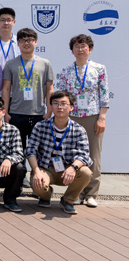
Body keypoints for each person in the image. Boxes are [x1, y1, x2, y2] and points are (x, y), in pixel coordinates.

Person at [55, 34, 109, 207]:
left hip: (92, 117)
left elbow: (104, 95)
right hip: (71, 118)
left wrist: (101, 118)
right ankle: (76, 193)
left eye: (83, 46)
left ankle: (91, 193)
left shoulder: (99, 69)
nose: (80, 49)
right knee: (72, 156)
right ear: (72, 50)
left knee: (94, 155)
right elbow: (60, 96)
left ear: (90, 49)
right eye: (76, 46)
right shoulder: (65, 71)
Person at [27, 91, 93, 214]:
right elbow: (31, 151)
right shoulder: (40, 126)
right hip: (46, 168)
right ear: (51, 106)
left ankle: (68, 200)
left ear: (71, 107)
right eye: (55, 103)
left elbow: (84, 155)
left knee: (86, 172)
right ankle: (45, 196)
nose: (59, 107)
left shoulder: (79, 130)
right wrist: (36, 171)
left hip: (67, 170)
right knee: (37, 183)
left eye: (63, 104)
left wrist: (73, 168)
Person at [2, 28, 54, 150]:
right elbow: (6, 89)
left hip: (38, 114)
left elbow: (49, 89)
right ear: (18, 43)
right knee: (17, 150)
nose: (26, 43)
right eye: (23, 40)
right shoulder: (10, 64)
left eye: (30, 40)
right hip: (16, 114)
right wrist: (6, 112)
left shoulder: (45, 63)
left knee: (38, 150)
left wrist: (49, 111)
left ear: (36, 42)